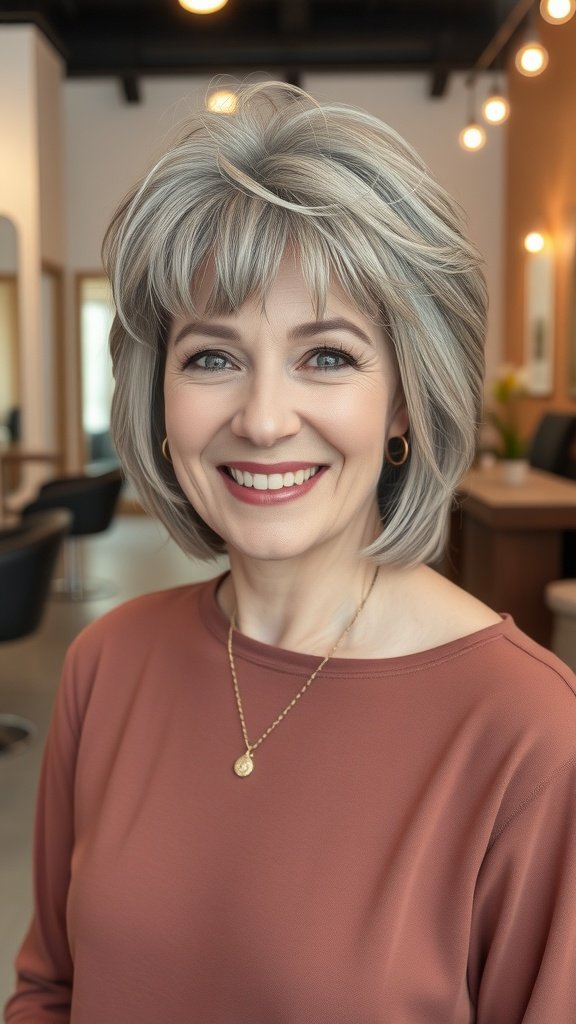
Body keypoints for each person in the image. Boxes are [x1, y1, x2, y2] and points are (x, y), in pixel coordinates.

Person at [5, 81, 576, 1024]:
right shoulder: (104, 666)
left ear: (403, 398)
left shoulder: (529, 737)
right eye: (212, 357)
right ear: (160, 396)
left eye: (328, 356)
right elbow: (51, 991)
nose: (264, 420)